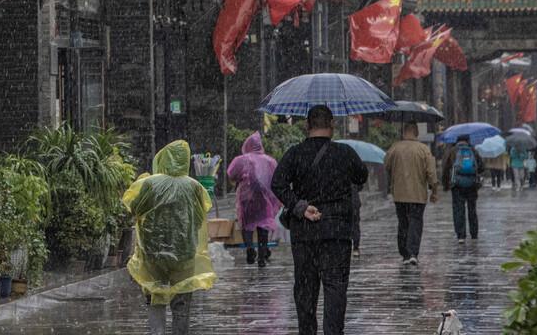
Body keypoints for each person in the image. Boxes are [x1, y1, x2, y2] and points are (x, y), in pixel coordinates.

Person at [271, 105, 368, 335]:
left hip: (305, 232)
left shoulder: (295, 154)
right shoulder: (345, 153)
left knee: (305, 289)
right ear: (332, 125)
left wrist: (299, 206)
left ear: (307, 126)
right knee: (335, 287)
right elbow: (361, 175)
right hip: (337, 231)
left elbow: (278, 183)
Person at [123, 140, 216, 335]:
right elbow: (200, 216)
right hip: (184, 251)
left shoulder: (150, 183)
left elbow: (135, 209)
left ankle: (157, 331)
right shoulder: (194, 186)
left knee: (155, 295)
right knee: (181, 302)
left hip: (153, 251)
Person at [382, 122, 438, 265]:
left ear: (404, 131)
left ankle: (405, 253)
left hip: (399, 193)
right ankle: (413, 251)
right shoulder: (423, 149)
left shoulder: (395, 148)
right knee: (415, 222)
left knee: (403, 222)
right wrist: (434, 191)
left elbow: (386, 165)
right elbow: (431, 173)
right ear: (416, 132)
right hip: (418, 194)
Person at [226, 131, 281, 267]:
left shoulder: (242, 160)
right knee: (263, 226)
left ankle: (249, 247)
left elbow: (232, 174)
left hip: (246, 197)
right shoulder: (270, 161)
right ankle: (262, 256)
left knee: (246, 224)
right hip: (264, 198)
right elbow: (277, 178)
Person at [442, 135, 481, 243]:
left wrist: (446, 184)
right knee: (472, 209)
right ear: (468, 140)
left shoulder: (452, 151)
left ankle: (461, 235)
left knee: (458, 209)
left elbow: (446, 167)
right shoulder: (473, 150)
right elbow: (481, 167)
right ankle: (474, 233)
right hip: (472, 185)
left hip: (457, 185)